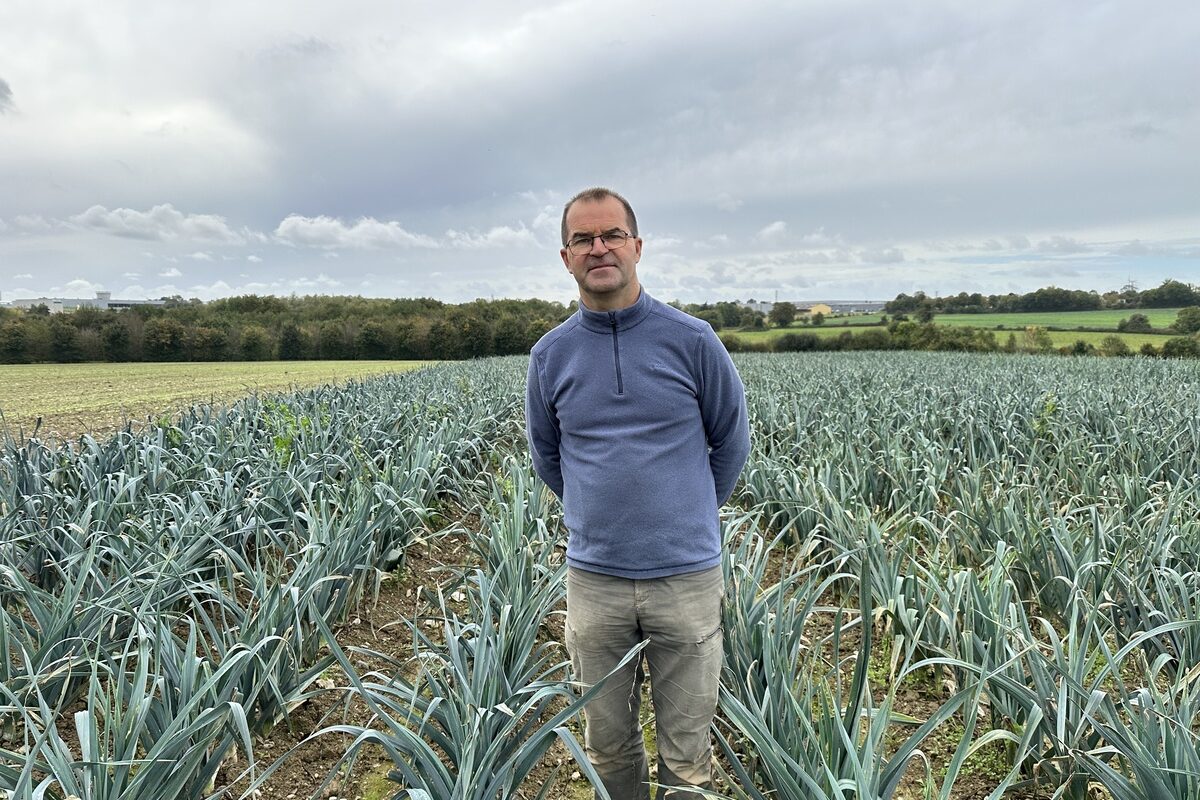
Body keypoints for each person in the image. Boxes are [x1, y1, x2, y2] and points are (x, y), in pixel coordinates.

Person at [525, 187, 751, 799]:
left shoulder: (693, 340)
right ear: (566, 257)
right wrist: (599, 513)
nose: (599, 249)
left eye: (611, 236)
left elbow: (730, 442)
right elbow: (549, 454)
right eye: (583, 239)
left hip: (686, 578)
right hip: (595, 579)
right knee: (608, 747)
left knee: (688, 754)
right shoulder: (550, 356)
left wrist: (689, 512)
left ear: (637, 246)